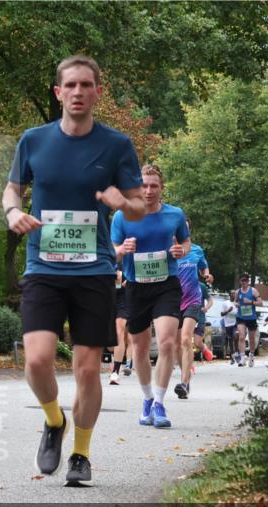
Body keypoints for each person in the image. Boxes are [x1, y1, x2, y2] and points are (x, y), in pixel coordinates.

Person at [2, 54, 146, 487]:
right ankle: (53, 421)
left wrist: (124, 204)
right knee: (38, 361)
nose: (79, 92)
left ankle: (81, 454)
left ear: (98, 92)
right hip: (43, 266)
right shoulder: (34, 140)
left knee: (86, 370)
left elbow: (139, 207)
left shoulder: (117, 145)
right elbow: (13, 187)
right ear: (58, 92)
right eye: (71, 85)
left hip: (94, 270)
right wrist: (12, 212)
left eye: (87, 85)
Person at [111, 164, 190, 428]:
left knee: (167, 343)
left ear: (161, 188)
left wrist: (181, 251)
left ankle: (159, 402)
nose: (148, 190)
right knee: (141, 348)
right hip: (136, 287)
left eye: (153, 185)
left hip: (166, 284)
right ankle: (146, 399)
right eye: (143, 185)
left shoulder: (175, 214)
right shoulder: (122, 216)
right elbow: (113, 250)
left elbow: (186, 242)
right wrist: (122, 248)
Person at [174, 231, 211, 399]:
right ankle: (186, 377)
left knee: (185, 338)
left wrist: (207, 275)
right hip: (173, 300)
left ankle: (184, 382)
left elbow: (204, 268)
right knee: (175, 344)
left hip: (193, 300)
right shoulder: (169, 250)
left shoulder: (196, 250)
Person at [234, 274, 263, 367]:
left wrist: (251, 302)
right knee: (241, 336)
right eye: (242, 281)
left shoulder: (253, 291)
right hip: (241, 317)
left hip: (251, 318)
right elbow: (235, 301)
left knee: (251, 338)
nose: (244, 282)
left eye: (246, 281)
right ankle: (242, 358)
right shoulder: (238, 292)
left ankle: (251, 355)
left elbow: (261, 303)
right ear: (240, 282)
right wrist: (236, 304)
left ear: (248, 281)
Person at [109, 264, 131, 385]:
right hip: (106, 300)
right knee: (110, 345)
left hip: (122, 300)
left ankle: (115, 372)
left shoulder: (124, 261)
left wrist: (126, 280)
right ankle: (116, 358)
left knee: (119, 331)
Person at [220, 298, 238, 364]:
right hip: (228, 324)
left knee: (236, 336)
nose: (233, 295)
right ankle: (232, 356)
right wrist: (228, 311)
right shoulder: (225, 303)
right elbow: (221, 314)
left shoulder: (237, 303)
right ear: (230, 295)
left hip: (236, 323)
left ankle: (236, 352)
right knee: (230, 340)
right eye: (231, 294)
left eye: (234, 294)